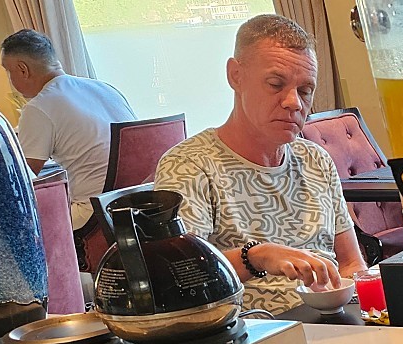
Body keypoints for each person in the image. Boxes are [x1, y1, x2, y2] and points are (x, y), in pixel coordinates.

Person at [155, 14, 364, 317]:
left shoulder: (315, 159)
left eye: (305, 90)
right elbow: (181, 275)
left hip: (333, 322)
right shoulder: (190, 166)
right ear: (235, 76)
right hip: (255, 332)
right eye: (275, 84)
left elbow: (351, 264)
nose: (293, 102)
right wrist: (257, 256)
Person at [1, 30, 135, 229]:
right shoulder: (105, 88)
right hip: (139, 202)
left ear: (23, 69)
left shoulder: (39, 107)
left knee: (16, 224)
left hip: (95, 212)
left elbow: (25, 177)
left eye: (8, 72)